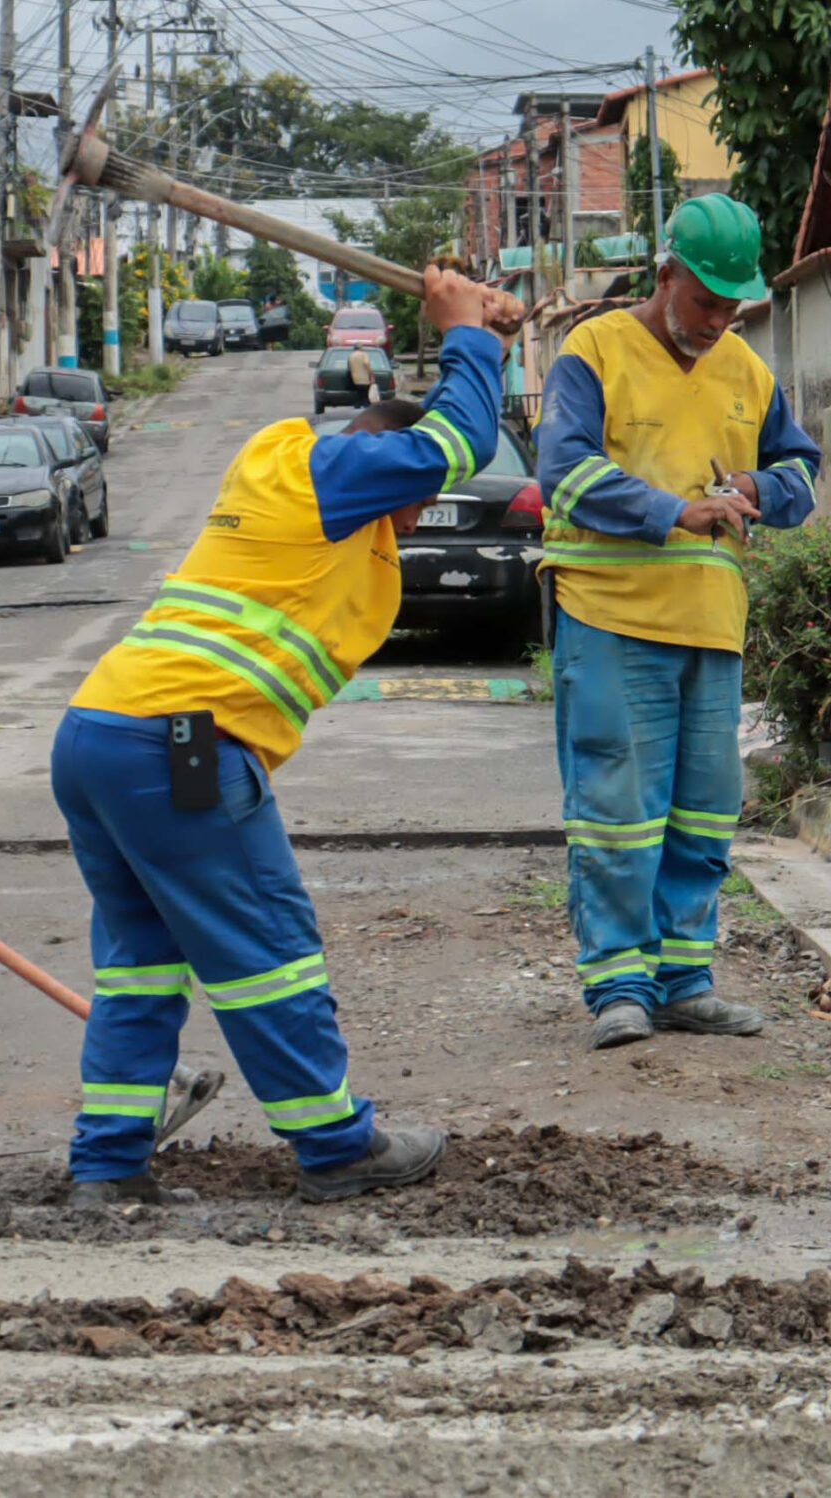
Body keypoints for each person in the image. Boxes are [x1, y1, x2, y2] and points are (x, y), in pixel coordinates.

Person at [54, 265, 523, 1206]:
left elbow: (442, 445)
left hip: (100, 733)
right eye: (415, 496)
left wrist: (493, 341)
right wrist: (466, 330)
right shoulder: (331, 471)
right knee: (270, 948)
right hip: (178, 745)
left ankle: (106, 1168)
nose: (420, 515)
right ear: (385, 467)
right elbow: (460, 440)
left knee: (142, 964)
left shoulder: (296, 492)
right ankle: (337, 1147)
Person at [535, 194, 821, 1052]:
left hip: (710, 624)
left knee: (703, 813)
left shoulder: (746, 369)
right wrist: (673, 511)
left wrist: (763, 490)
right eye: (706, 302)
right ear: (666, 275)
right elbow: (565, 472)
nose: (719, 320)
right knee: (618, 810)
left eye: (733, 306)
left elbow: (801, 470)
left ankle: (683, 980)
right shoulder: (591, 352)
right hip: (610, 615)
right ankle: (620, 984)